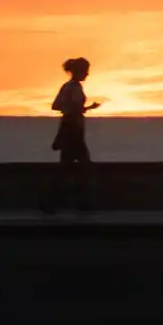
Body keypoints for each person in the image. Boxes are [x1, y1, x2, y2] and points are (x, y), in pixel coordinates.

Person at [41, 56, 100, 214]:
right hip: (74, 131)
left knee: (66, 168)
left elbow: (57, 105)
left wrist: (85, 108)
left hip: (70, 130)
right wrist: (80, 109)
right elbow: (72, 109)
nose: (87, 74)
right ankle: (81, 203)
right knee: (84, 167)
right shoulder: (75, 88)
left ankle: (52, 203)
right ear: (79, 71)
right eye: (85, 71)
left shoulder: (66, 86)